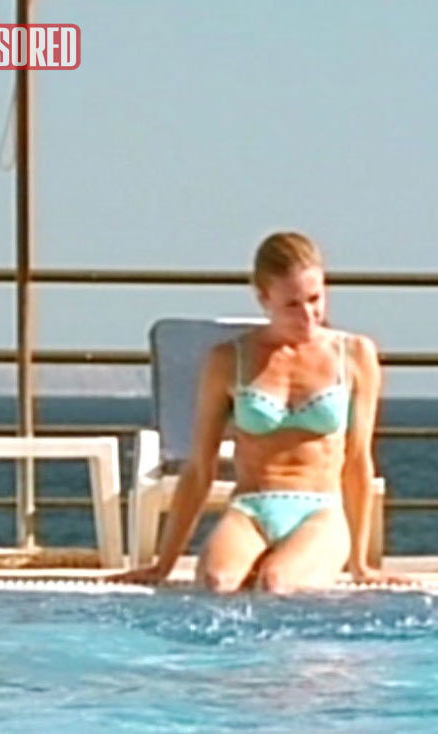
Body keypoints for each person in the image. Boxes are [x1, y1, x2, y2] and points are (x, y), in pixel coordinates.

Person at [113, 232, 410, 593]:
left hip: (320, 510)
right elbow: (200, 467)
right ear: (263, 299)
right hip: (252, 508)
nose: (308, 316)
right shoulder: (228, 360)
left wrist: (362, 564)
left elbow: (358, 461)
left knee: (276, 582)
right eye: (292, 305)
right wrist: (164, 564)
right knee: (217, 583)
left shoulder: (354, 356)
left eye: (315, 299)